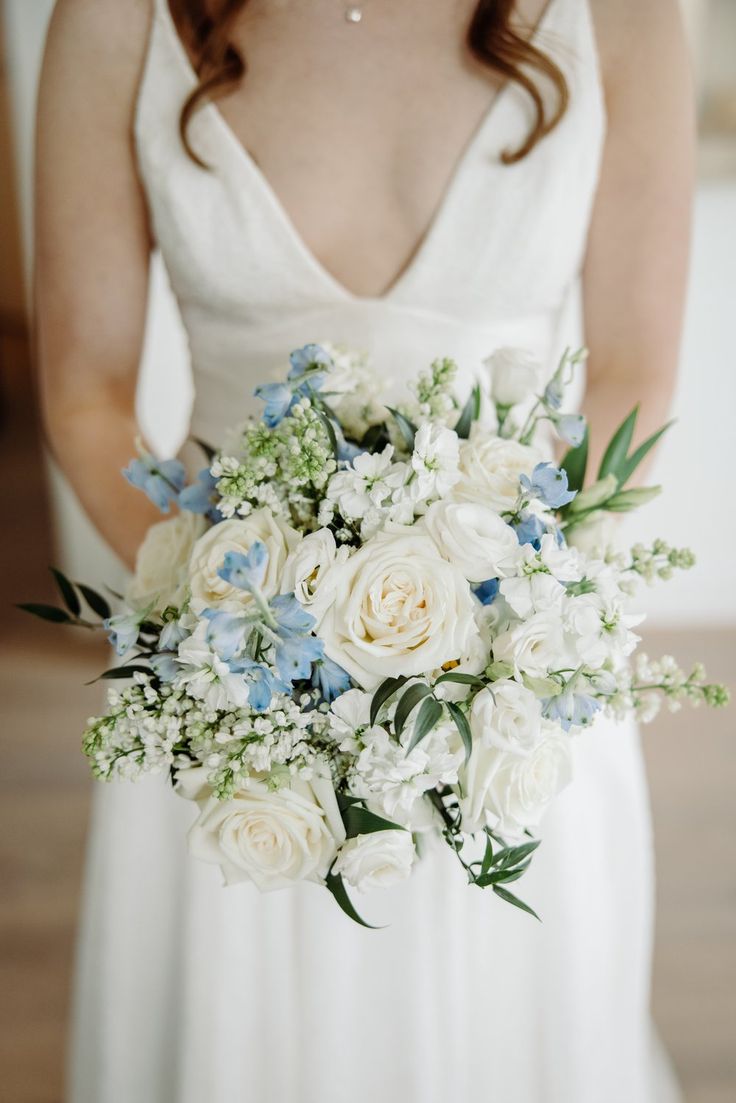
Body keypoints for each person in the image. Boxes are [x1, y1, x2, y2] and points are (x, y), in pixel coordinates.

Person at [35, 1, 694, 1100]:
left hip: (511, 695)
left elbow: (634, 373)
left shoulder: (621, 17)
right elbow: (85, 391)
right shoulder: (113, 19)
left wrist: (509, 633)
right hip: (229, 690)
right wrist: (242, 624)